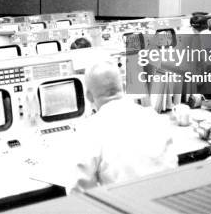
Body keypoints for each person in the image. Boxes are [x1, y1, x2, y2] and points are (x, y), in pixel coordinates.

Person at [67, 62, 178, 193]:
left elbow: (78, 192)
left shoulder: (88, 131)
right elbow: (173, 170)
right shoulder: (155, 118)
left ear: (89, 96)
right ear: (124, 87)